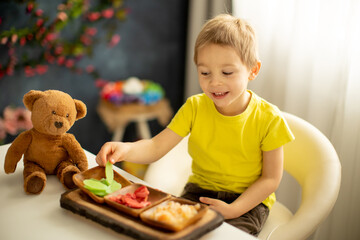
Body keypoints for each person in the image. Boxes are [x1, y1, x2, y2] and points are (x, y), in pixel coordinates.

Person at [96, 13, 295, 236]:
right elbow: (155, 147)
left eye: (227, 72)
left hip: (247, 202)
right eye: (205, 72)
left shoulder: (269, 118)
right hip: (199, 191)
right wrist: (125, 149)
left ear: (253, 70)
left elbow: (270, 179)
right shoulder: (195, 107)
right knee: (168, 231)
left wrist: (233, 209)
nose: (215, 82)